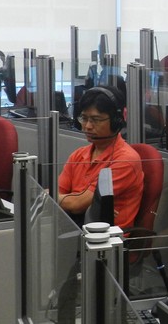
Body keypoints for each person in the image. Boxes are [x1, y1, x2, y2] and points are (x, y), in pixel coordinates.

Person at [58, 85, 143, 229]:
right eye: (84, 118)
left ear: (117, 121)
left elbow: (76, 204)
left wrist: (59, 199)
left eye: (96, 120)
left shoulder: (125, 160)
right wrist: (62, 200)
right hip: (75, 229)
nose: (87, 126)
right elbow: (57, 195)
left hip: (107, 241)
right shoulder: (78, 155)